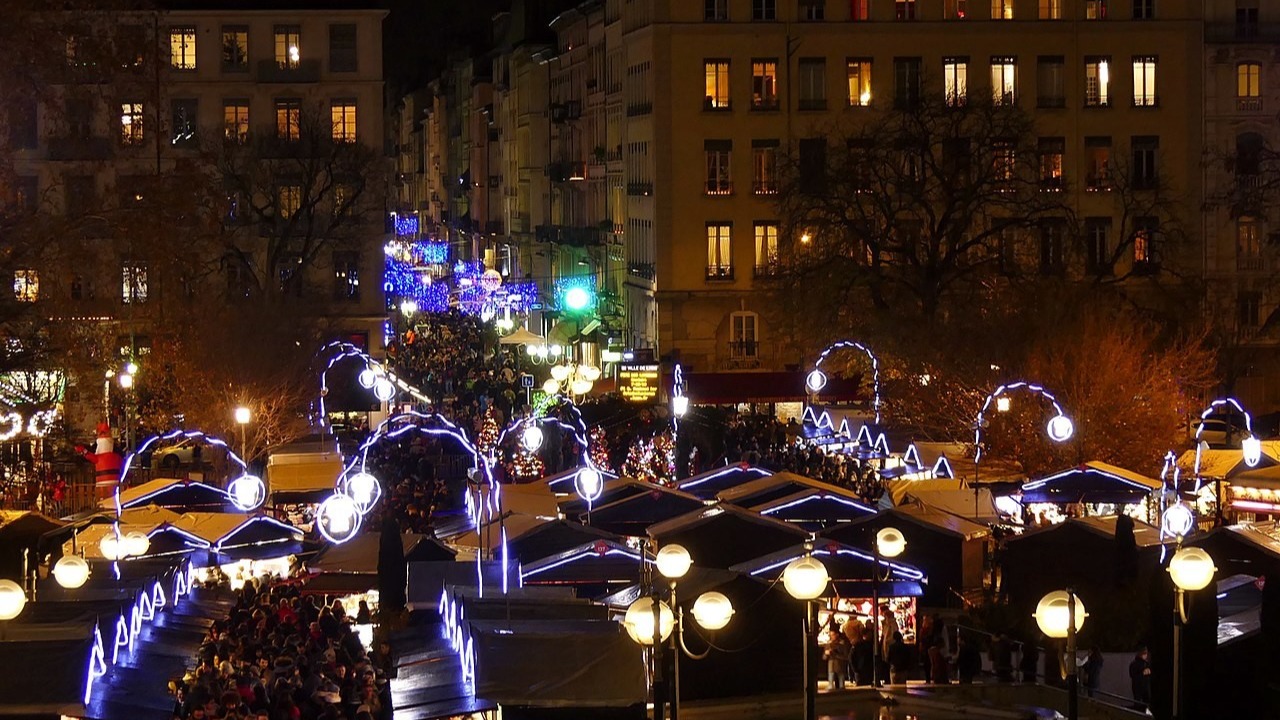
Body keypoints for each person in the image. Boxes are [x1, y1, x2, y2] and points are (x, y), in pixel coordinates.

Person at [824, 621, 852, 690]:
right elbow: (824, 657)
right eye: (830, 635)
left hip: (840, 666)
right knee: (831, 679)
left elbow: (845, 656)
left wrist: (835, 654)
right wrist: (826, 654)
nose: (831, 636)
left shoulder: (842, 644)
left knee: (841, 681)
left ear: (837, 635)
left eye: (833, 635)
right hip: (831, 666)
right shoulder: (828, 644)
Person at [1129, 646, 1151, 712]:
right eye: (1144, 653)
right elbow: (1133, 675)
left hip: (1145, 688)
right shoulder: (1134, 664)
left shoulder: (1146, 663)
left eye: (1146, 653)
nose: (1145, 655)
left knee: (1146, 704)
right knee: (1138, 705)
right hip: (1138, 687)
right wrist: (1142, 673)